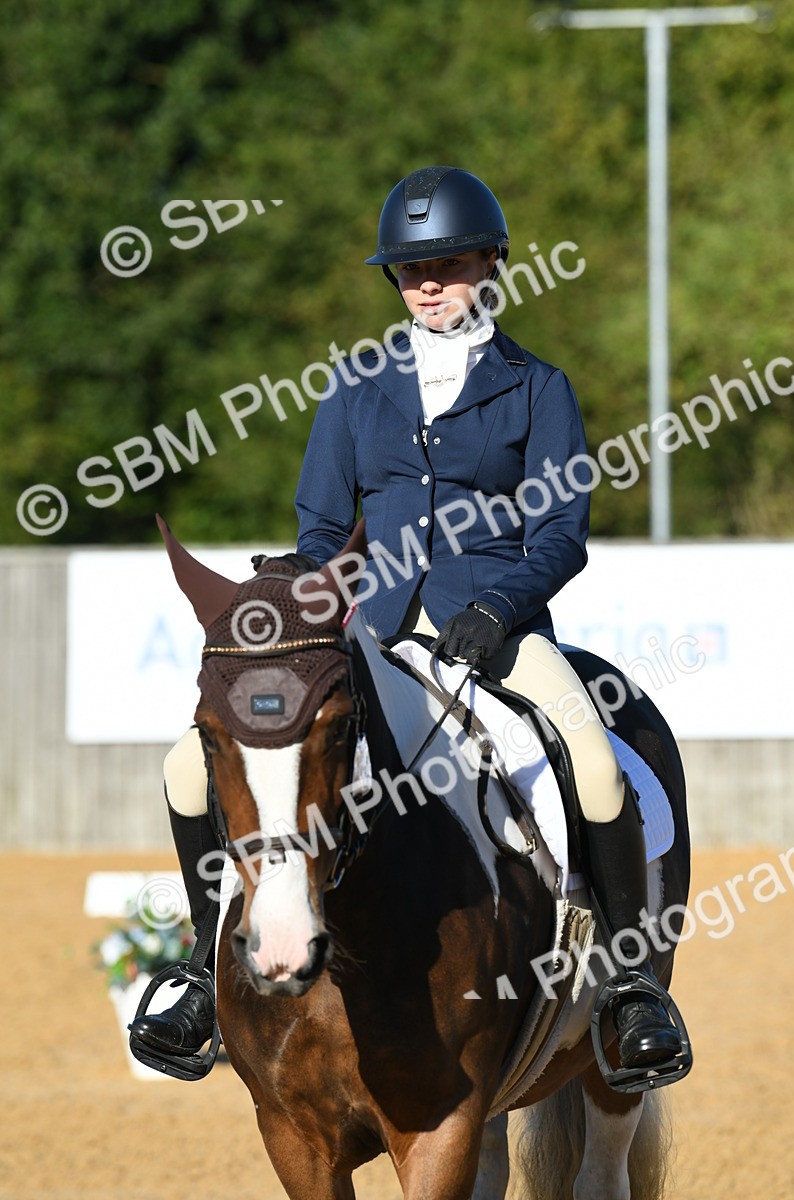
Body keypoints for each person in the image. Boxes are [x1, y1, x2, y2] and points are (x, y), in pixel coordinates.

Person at [131, 166, 683, 1075]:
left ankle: (628, 988)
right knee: (188, 760)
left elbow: (561, 533)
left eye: (451, 262)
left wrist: (498, 608)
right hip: (367, 629)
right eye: (409, 269)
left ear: (492, 263)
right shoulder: (354, 388)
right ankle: (200, 970)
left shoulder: (538, 388)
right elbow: (317, 527)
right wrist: (317, 606)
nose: (428, 283)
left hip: (495, 633)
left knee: (591, 756)